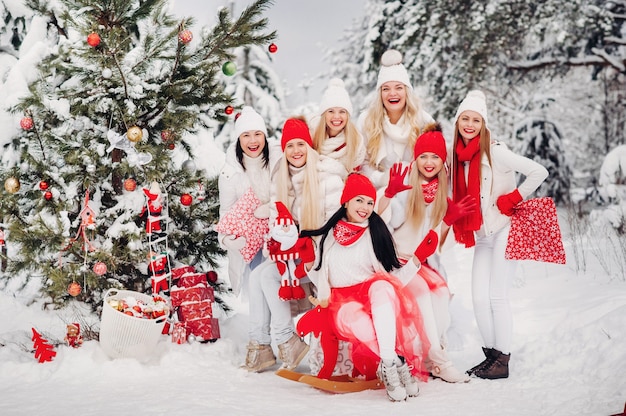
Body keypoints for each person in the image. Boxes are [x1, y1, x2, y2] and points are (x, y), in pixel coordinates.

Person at [302, 173, 435, 402]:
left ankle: (390, 368)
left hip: (370, 299)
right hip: (339, 305)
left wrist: (417, 259)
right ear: (346, 201)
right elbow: (321, 279)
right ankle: (397, 361)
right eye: (359, 200)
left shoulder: (374, 234)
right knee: (355, 316)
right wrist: (307, 264)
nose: (365, 207)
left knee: (383, 286)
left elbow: (395, 280)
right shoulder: (328, 237)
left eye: (370, 202)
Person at [450, 90, 549, 379]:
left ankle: (502, 360)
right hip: (482, 235)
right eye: (465, 119)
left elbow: (538, 171)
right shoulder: (457, 158)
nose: (470, 124)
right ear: (457, 122)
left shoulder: (495, 151)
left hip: (505, 229)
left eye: (476, 120)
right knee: (478, 298)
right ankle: (490, 355)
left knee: (497, 296)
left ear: (484, 124)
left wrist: (514, 196)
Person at [241, 117, 344, 373]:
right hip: (295, 255)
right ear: (284, 150)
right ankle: (264, 345)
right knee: (258, 275)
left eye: (301, 144)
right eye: (290, 146)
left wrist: (304, 245)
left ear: (309, 147)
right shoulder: (282, 179)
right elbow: (279, 228)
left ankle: (285, 339)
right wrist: (280, 243)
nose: (296, 151)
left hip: (322, 255)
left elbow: (336, 227)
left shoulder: (327, 177)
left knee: (266, 277)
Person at [377, 124, 475, 383]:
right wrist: (389, 194)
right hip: (395, 263)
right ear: (416, 158)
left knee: (441, 294)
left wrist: (448, 221)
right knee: (421, 294)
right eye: (423, 156)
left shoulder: (442, 192)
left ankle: (432, 358)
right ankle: (443, 364)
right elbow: (379, 220)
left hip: (419, 262)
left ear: (442, 161)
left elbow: (435, 243)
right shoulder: (406, 185)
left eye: (435, 157)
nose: (429, 162)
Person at [217, 106, 281, 297]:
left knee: (281, 295)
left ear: (264, 136)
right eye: (246, 135)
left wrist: (270, 209)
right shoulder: (230, 172)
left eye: (257, 134)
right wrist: (226, 240)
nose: (253, 141)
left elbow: (290, 196)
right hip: (251, 248)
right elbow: (226, 213)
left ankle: (281, 327)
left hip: (279, 240)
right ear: (238, 139)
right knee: (259, 296)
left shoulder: (278, 160)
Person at [357, 49, 434, 190]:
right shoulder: (366, 120)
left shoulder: (424, 120)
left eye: (398, 88)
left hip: (415, 191)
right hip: (379, 192)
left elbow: (437, 158)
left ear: (406, 91)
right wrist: (381, 179)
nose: (392, 93)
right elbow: (361, 162)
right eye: (386, 89)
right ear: (380, 93)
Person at [311, 78, 366, 177]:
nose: (336, 116)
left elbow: (356, 177)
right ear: (324, 114)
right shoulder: (312, 134)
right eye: (331, 111)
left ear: (348, 115)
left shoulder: (356, 142)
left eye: (342, 112)